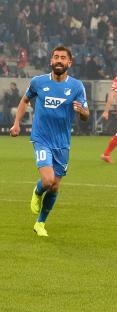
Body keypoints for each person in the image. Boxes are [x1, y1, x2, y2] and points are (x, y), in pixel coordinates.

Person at [9, 46, 89, 237]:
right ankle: (37, 191)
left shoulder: (77, 86)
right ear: (51, 61)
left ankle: (40, 223)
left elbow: (86, 115)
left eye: (63, 58)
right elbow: (25, 100)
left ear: (69, 63)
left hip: (62, 143)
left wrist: (82, 111)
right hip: (41, 138)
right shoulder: (38, 82)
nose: (59, 60)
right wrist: (17, 123)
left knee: (54, 186)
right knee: (47, 180)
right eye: (56, 57)